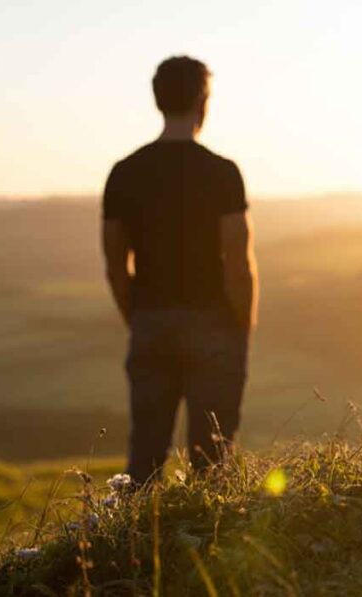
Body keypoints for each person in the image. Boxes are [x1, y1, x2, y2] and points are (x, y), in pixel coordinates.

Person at [101, 56, 259, 484]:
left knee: (144, 461)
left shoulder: (124, 174)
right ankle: (207, 547)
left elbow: (115, 265)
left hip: (150, 320)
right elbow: (239, 265)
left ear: (157, 100)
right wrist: (241, 326)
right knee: (211, 466)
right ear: (202, 102)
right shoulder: (223, 173)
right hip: (214, 324)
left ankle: (132, 548)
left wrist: (138, 318)